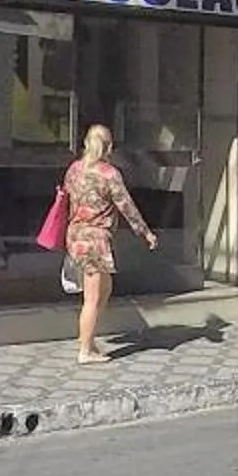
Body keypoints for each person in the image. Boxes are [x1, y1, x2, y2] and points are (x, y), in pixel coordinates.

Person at [62, 124, 158, 364]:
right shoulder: (109, 174)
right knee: (93, 297)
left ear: (86, 144)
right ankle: (85, 349)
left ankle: (88, 335)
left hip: (75, 235)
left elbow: (67, 196)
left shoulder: (74, 169)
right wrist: (145, 233)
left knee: (104, 288)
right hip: (94, 240)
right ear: (109, 147)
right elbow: (127, 207)